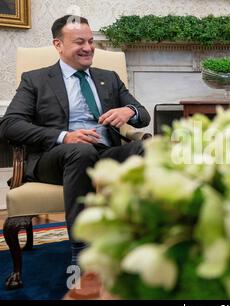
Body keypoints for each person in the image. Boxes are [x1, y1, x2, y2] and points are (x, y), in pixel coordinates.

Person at [0, 15, 151, 265]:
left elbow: (142, 114)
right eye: (80, 41)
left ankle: (148, 239)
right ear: (58, 45)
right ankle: (81, 250)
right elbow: (10, 124)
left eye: (91, 41)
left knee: (149, 147)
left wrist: (130, 111)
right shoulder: (35, 79)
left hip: (103, 153)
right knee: (80, 151)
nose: (89, 48)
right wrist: (64, 136)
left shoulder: (109, 77)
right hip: (55, 158)